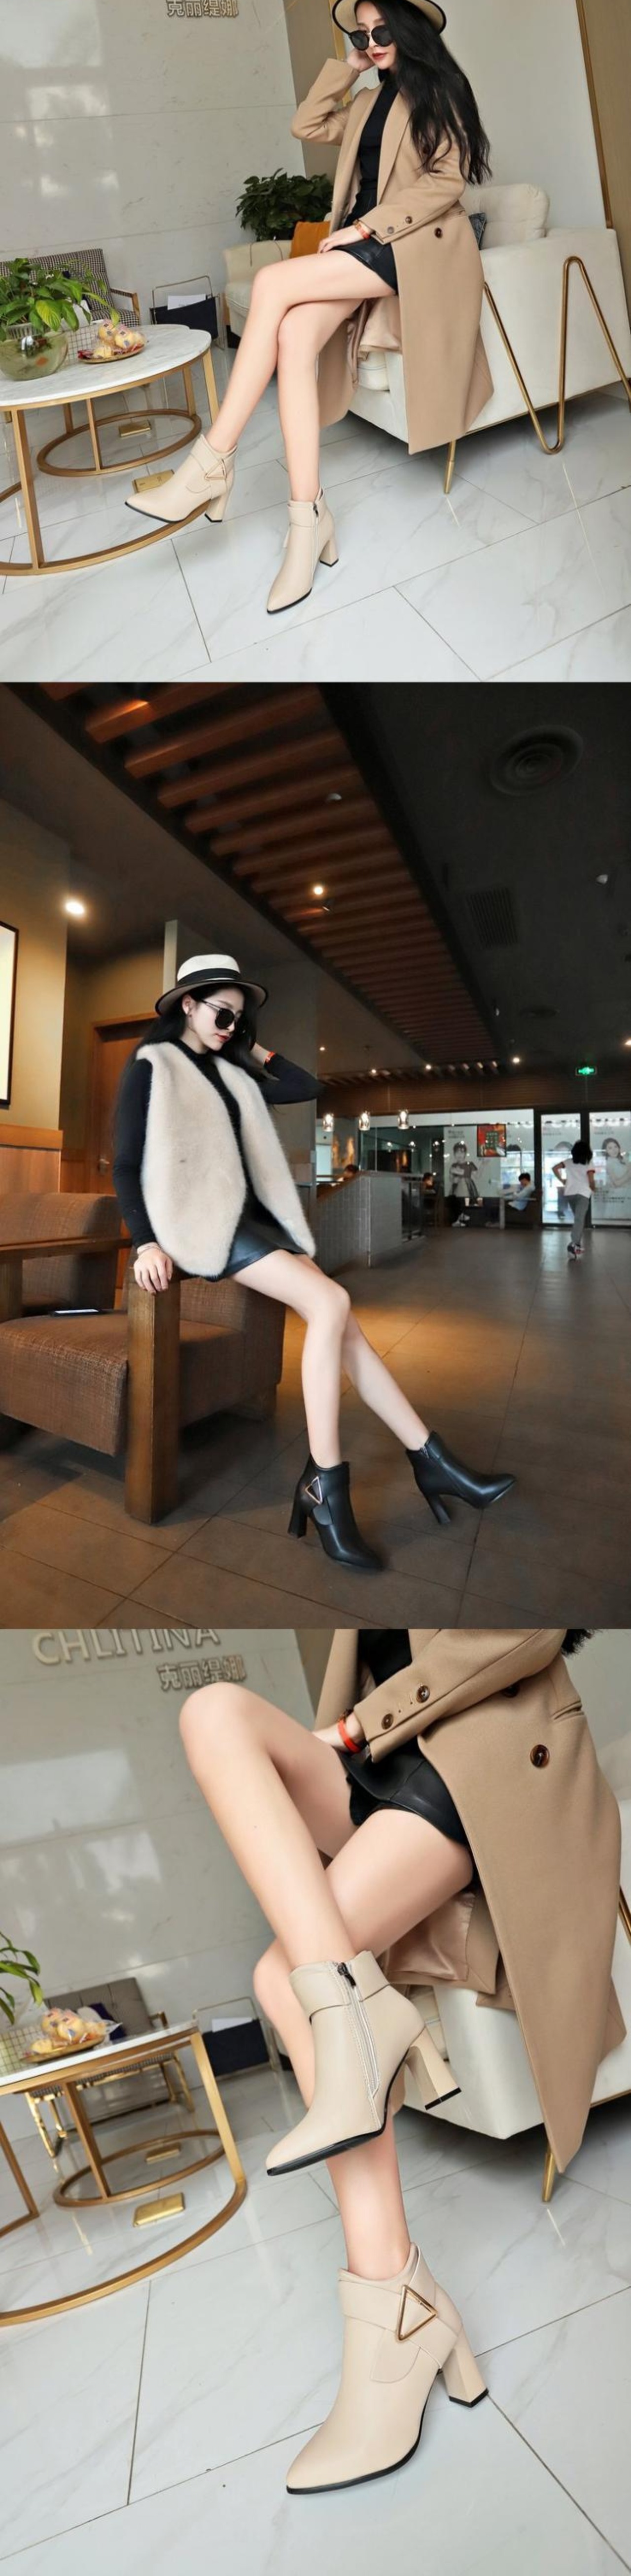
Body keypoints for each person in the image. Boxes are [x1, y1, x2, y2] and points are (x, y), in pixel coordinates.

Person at [178, 1626, 622, 2494]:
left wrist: (353, 1730)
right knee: (213, 1710)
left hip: (483, 1757)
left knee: (280, 1980)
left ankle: (395, 2308)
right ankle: (407, 2298)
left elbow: (528, 1634)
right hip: (386, 1764)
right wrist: (350, 1735)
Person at [112, 952, 513, 1574]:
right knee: (330, 1302)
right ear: (187, 1004)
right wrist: (144, 1242)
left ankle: (431, 1460)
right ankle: (326, 1486)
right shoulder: (152, 1066)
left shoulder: (231, 1069)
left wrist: (248, 1044)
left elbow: (304, 1086)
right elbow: (125, 1164)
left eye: (239, 1018)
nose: (230, 1026)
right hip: (198, 1224)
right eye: (222, 1014)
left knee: (344, 1327)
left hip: (251, 1220)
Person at [126, 0, 493, 616]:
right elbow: (306, 124)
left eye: (381, 32)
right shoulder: (367, 101)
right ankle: (308, 519)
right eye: (361, 33)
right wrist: (346, 68)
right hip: (363, 244)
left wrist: (364, 227)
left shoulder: (443, 92)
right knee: (294, 336)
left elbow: (447, 182)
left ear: (409, 30)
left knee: (272, 281)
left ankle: (211, 461)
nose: (371, 42)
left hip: (410, 245)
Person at [552, 1139, 596, 1258]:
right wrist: (593, 1188)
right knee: (579, 1220)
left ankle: (576, 1246)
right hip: (583, 1194)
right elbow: (591, 1180)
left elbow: (555, 1168)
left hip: (570, 1193)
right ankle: (574, 1244)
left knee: (578, 1219)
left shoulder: (568, 1162)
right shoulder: (589, 1163)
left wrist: (562, 1181)